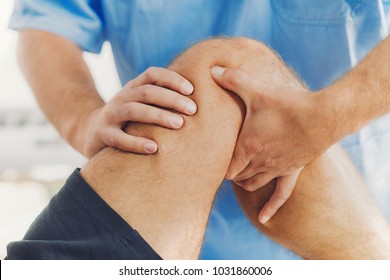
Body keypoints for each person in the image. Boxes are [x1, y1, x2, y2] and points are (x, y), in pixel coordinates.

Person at [9, 0, 390, 259]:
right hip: (163, 224)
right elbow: (46, 25)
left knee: (228, 66)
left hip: (357, 198)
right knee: (225, 67)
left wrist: (329, 116)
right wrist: (84, 120)